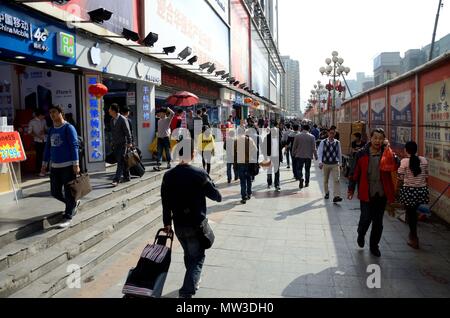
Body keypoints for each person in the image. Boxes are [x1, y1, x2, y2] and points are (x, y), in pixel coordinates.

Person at [161, 140, 222, 298]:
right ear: (193, 154)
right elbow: (217, 196)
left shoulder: (168, 176)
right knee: (197, 257)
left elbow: (165, 203)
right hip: (195, 223)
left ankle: (193, 280)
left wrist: (167, 223)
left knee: (189, 255)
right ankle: (187, 291)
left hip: (178, 224)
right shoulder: (199, 173)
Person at [347, 128, 396, 257]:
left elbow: (396, 164)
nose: (378, 141)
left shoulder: (386, 153)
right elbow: (354, 172)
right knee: (366, 218)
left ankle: (374, 245)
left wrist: (388, 149)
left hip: (381, 193)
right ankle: (361, 233)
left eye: (380, 138)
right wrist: (351, 189)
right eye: (375, 138)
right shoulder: (361, 154)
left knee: (378, 222)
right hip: (366, 192)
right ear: (371, 138)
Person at [41, 105, 80, 228]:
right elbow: (48, 148)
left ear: (60, 113)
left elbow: (74, 146)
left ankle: (68, 216)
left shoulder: (68, 128)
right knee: (55, 192)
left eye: (54, 112)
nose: (52, 114)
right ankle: (72, 204)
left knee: (68, 192)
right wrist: (44, 164)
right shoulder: (52, 129)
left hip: (68, 166)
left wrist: (76, 164)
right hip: (55, 167)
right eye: (50, 112)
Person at [397, 141, 429, 249]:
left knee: (410, 215)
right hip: (421, 191)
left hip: (409, 191)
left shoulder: (405, 161)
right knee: (413, 213)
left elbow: (400, 177)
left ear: (406, 150)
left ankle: (414, 237)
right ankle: (413, 236)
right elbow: (426, 175)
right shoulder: (423, 160)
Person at [109, 103, 133, 186]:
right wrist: (112, 142)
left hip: (124, 144)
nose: (108, 111)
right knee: (122, 161)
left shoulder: (122, 119)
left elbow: (127, 131)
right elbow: (113, 133)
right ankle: (127, 176)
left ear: (113, 111)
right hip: (116, 144)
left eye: (110, 109)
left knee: (120, 161)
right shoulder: (112, 120)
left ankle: (116, 179)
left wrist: (129, 142)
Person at [318, 127, 343, 203]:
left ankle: (336, 196)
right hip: (326, 163)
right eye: (331, 133)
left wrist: (340, 163)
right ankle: (326, 192)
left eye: (333, 133)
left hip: (335, 163)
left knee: (337, 179)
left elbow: (339, 153)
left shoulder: (337, 142)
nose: (332, 134)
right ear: (328, 133)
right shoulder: (323, 142)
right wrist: (320, 162)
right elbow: (320, 152)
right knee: (326, 180)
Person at [235, 127, 258, 204]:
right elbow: (255, 150)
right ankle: (249, 193)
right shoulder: (249, 139)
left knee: (242, 180)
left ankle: (243, 196)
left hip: (240, 163)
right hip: (248, 162)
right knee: (248, 178)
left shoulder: (236, 140)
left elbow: (233, 153)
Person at [292, 124, 318, 189]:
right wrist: (316, 155)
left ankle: (300, 178)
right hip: (308, 156)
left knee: (299, 169)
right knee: (307, 170)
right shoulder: (312, 137)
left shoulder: (297, 136)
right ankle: (307, 182)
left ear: (303, 128)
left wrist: (293, 153)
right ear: (309, 129)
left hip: (299, 155)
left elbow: (294, 146)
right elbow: (314, 148)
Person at [28, 109, 48, 177]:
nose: (44, 117)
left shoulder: (44, 121)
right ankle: (39, 171)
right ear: (39, 115)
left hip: (44, 140)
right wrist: (37, 136)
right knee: (39, 156)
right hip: (37, 141)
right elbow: (29, 132)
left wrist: (45, 131)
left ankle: (46, 170)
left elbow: (46, 129)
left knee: (45, 155)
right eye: (43, 115)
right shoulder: (32, 122)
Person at [265, 122, 283, 192]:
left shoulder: (278, 137)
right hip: (271, 156)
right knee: (273, 170)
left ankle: (276, 184)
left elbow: (280, 147)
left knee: (275, 170)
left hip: (275, 156)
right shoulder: (268, 137)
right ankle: (270, 183)